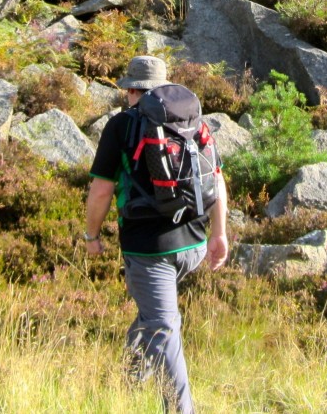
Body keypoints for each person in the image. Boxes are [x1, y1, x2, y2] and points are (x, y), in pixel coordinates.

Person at [85, 55, 229, 414]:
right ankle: (129, 378)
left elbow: (102, 191)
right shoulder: (191, 120)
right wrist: (219, 234)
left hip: (149, 251)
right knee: (153, 312)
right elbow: (217, 180)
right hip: (194, 243)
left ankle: (180, 410)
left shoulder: (120, 126)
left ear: (132, 90)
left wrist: (91, 236)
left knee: (164, 327)